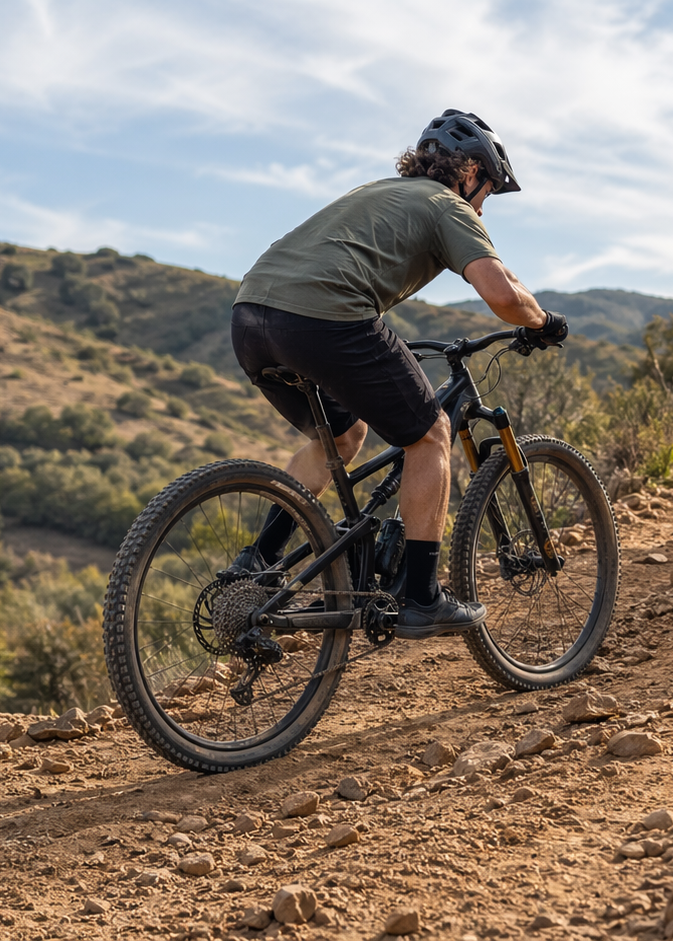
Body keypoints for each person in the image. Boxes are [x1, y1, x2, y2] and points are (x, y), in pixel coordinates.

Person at [227, 109, 568, 637]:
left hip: (250, 317)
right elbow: (501, 292)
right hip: (325, 318)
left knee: (341, 437)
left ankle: (259, 563)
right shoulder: (449, 205)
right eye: (489, 193)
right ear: (472, 171)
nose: (484, 208)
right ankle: (421, 597)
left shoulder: (379, 191)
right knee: (430, 433)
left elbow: (502, 273)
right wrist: (543, 321)